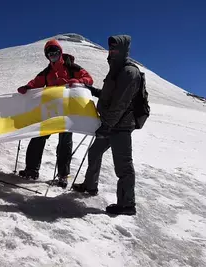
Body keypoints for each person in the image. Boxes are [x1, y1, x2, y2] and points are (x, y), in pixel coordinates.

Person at [72, 35, 141, 216]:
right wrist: (92, 91)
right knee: (94, 152)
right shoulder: (116, 71)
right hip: (111, 124)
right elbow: (110, 94)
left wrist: (107, 124)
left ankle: (127, 204)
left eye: (116, 49)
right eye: (110, 49)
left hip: (121, 126)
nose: (112, 52)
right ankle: (90, 186)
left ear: (124, 50)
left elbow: (121, 102)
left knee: (123, 165)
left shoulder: (129, 72)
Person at [17, 39, 94, 188]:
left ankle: (63, 176)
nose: (53, 55)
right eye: (50, 53)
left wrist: (77, 80)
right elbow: (36, 83)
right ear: (47, 56)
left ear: (60, 52)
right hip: (51, 111)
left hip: (68, 111)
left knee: (65, 143)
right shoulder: (47, 72)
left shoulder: (72, 67)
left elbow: (88, 79)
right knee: (38, 138)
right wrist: (27, 88)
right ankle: (31, 170)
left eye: (55, 52)